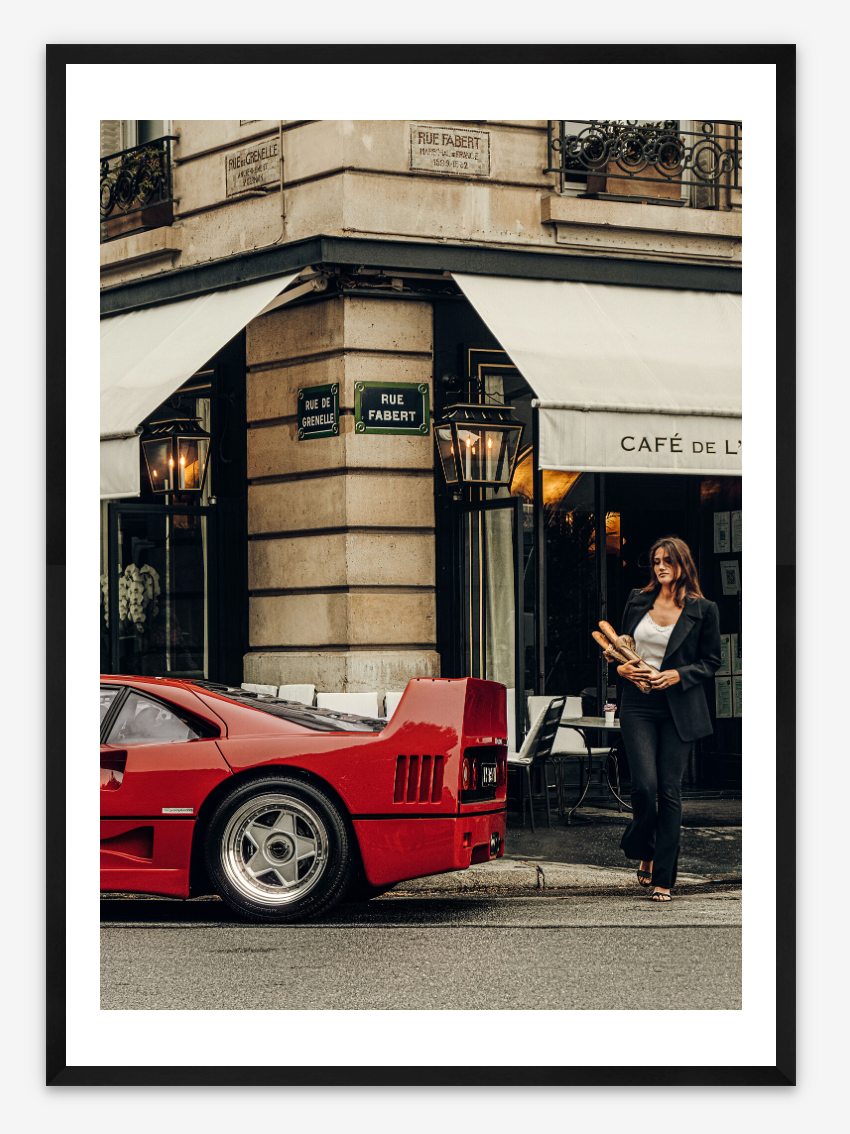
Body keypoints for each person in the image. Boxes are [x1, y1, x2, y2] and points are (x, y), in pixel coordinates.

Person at [616, 536, 721, 902]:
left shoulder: (704, 609)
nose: (660, 566)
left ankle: (664, 876)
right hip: (638, 704)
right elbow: (619, 648)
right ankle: (643, 847)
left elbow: (711, 662)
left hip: (680, 708)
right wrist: (623, 668)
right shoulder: (637, 600)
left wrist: (676, 675)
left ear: (682, 565)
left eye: (667, 561)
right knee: (644, 787)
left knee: (669, 791)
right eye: (656, 560)